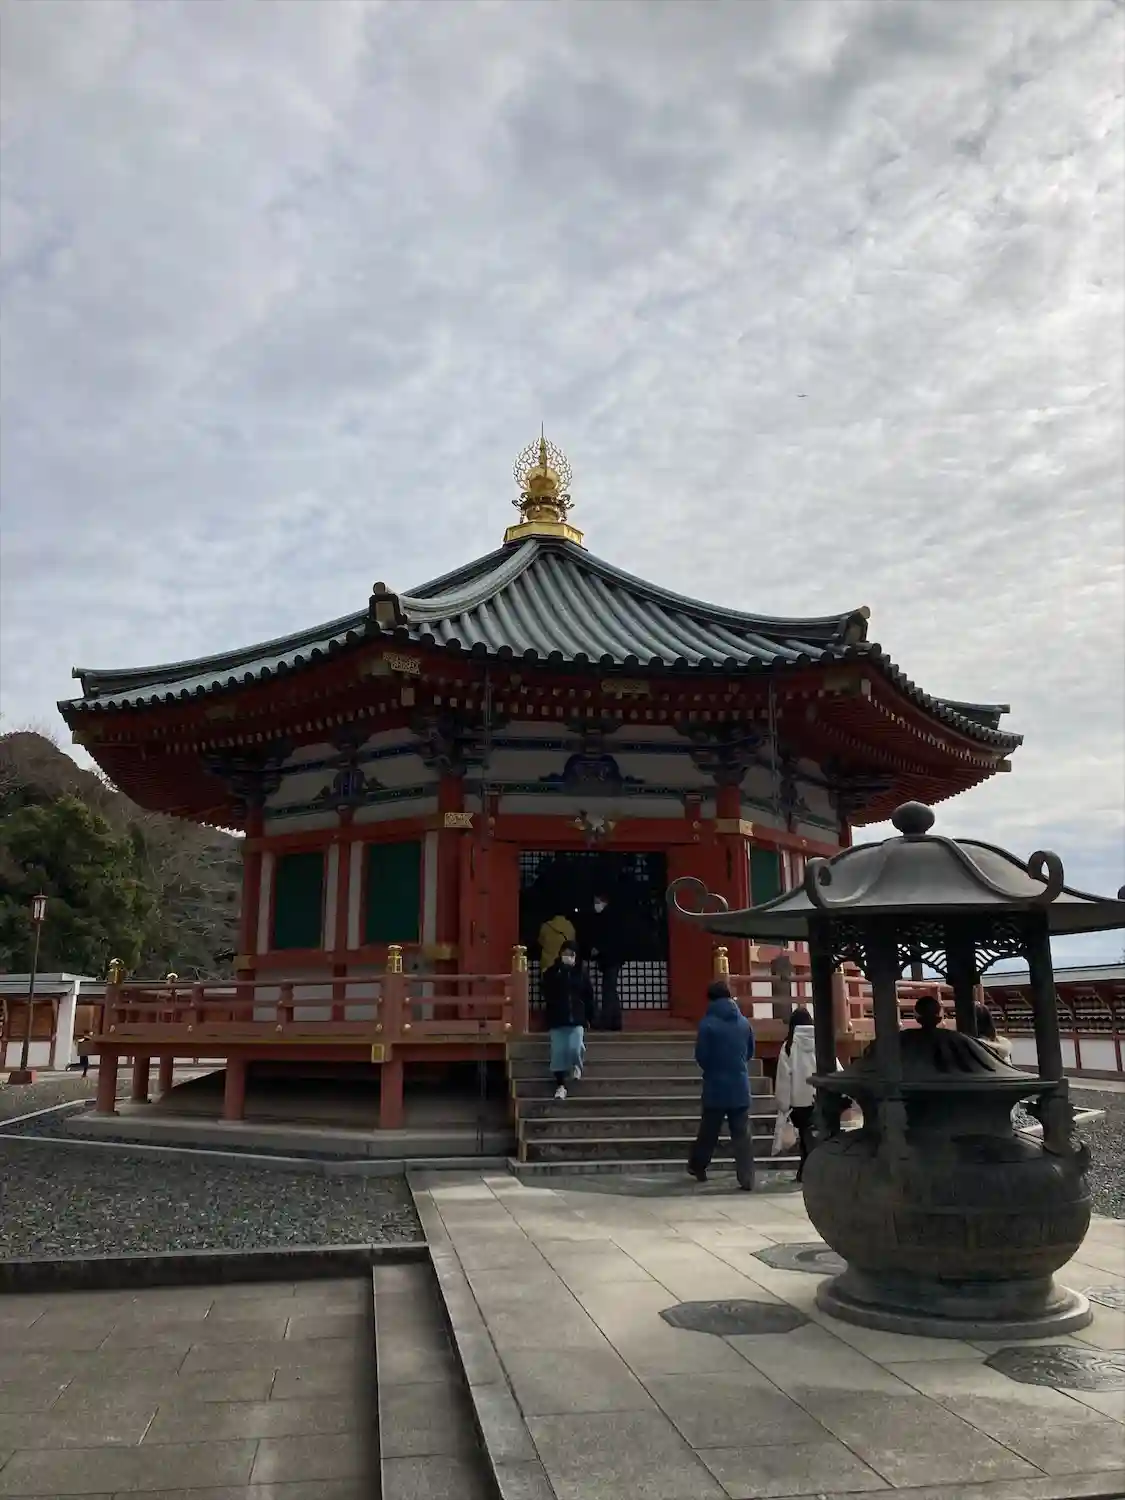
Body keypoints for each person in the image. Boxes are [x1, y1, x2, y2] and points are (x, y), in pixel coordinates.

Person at [687, 980, 756, 1190]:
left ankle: (698, 1165)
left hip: (715, 1085)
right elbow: (750, 1052)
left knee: (709, 1132)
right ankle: (747, 1177)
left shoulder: (707, 1024)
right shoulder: (744, 1023)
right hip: (739, 1084)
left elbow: (702, 1056)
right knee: (742, 1135)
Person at [541, 941, 593, 1100]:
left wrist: (590, 1016)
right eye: (565, 953)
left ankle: (577, 1064)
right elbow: (546, 991)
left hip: (576, 1018)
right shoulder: (552, 972)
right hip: (558, 1018)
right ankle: (561, 1085)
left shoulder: (581, 973)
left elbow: (588, 996)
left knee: (574, 1048)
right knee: (558, 1053)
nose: (568, 957)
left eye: (571, 954)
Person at [774, 1006, 817, 1182]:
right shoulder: (820, 1042)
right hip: (817, 1097)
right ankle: (808, 1170)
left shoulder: (789, 1046)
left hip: (798, 1101)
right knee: (812, 1136)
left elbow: (784, 1078)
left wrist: (783, 1104)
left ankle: (805, 1171)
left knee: (805, 1135)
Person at [581, 891, 624, 1031]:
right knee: (611, 989)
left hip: (610, 958)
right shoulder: (613, 917)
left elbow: (607, 939)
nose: (596, 905)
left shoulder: (606, 918)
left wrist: (598, 949)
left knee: (608, 990)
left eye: (597, 902)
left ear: (604, 902)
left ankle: (606, 1020)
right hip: (613, 958)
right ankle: (615, 1020)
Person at [537, 910, 576, 975]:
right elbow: (572, 944)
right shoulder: (570, 927)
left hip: (548, 963)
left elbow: (540, 942)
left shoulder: (546, 926)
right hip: (564, 963)